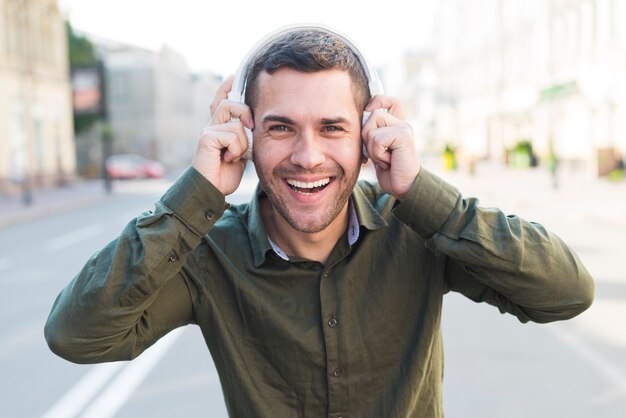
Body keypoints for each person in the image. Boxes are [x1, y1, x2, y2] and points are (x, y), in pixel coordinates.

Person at [45, 26, 594, 417]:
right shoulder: (208, 255)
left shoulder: (418, 230)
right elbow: (76, 335)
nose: (308, 156)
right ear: (246, 133)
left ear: (369, 133)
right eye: (281, 127)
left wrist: (421, 193)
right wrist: (195, 197)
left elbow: (566, 293)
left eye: (332, 127)